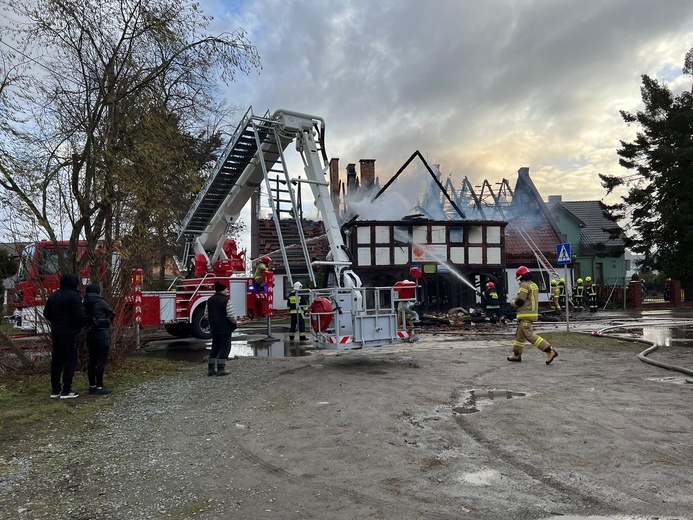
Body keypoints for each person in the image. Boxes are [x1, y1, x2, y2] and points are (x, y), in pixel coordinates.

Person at [43, 273, 85, 399]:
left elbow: (46, 313)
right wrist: (79, 326)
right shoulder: (74, 296)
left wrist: (56, 322)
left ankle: (56, 389)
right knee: (70, 361)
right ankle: (67, 390)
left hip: (56, 332)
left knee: (57, 361)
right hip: (70, 332)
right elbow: (79, 315)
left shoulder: (54, 295)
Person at [507, 266, 558, 364]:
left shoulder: (524, 285)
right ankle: (516, 354)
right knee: (520, 336)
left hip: (525, 314)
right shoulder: (533, 285)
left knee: (529, 335)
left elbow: (520, 301)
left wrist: (512, 302)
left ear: (520, 276)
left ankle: (549, 351)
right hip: (531, 313)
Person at [83, 284, 116, 395]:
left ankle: (92, 386)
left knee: (92, 359)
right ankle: (99, 387)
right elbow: (112, 314)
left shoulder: (84, 303)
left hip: (89, 333)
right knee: (101, 361)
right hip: (101, 333)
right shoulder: (101, 302)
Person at [206, 281, 237, 376]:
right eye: (226, 289)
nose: (228, 290)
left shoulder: (209, 300)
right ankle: (221, 369)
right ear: (221, 290)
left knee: (215, 347)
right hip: (225, 328)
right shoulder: (226, 301)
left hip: (214, 328)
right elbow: (231, 316)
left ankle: (211, 369)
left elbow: (206, 315)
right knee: (225, 347)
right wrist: (235, 322)